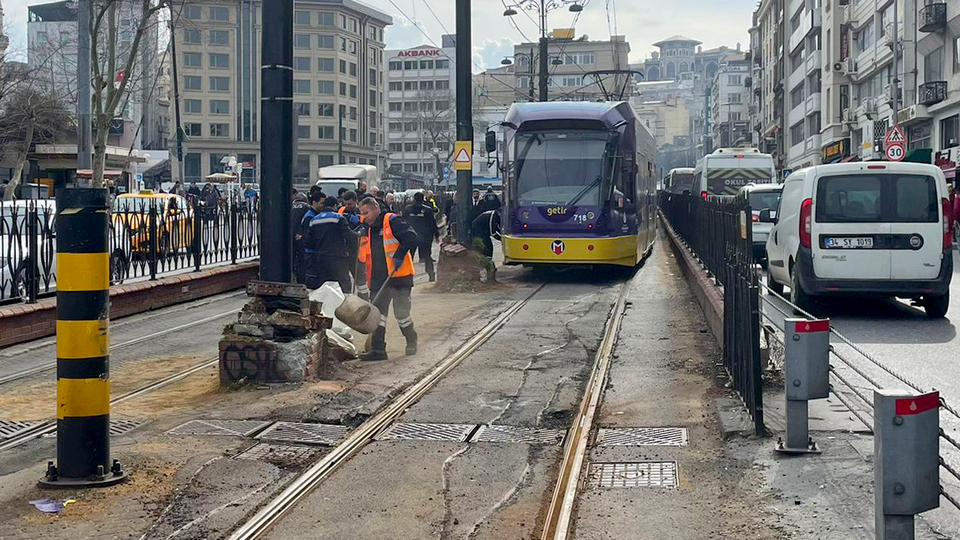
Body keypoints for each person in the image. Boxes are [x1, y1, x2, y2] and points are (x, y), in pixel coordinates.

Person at [357, 197, 419, 361]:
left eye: (366, 212)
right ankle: (378, 350)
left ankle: (411, 340)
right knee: (378, 315)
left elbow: (411, 237)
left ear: (376, 209)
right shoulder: (367, 228)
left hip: (399, 277)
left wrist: (399, 255)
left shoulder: (392, 220)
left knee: (401, 313)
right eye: (361, 214)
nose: (364, 217)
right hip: (379, 278)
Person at [305, 196, 352, 292]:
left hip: (321, 258)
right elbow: (348, 235)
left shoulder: (314, 220)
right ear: (334, 206)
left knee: (324, 286)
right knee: (343, 284)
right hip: (338, 258)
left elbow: (309, 242)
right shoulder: (339, 218)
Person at [404, 192, 440, 281]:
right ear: (423, 198)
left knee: (409, 256)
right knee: (427, 256)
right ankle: (431, 274)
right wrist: (436, 235)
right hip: (425, 236)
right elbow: (432, 223)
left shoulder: (408, 209)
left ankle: (408, 275)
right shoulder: (427, 210)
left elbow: (403, 222)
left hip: (411, 236)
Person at [338, 190, 365, 294]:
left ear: (356, 201)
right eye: (346, 204)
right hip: (343, 250)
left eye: (350, 204)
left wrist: (359, 224)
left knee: (360, 280)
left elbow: (366, 228)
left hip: (358, 250)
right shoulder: (340, 211)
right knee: (344, 280)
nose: (347, 206)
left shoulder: (362, 211)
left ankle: (364, 301)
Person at [291, 192, 311, 283]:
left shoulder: (289, 206)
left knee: (291, 258)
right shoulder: (307, 207)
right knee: (302, 259)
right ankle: (302, 280)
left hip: (289, 237)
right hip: (300, 237)